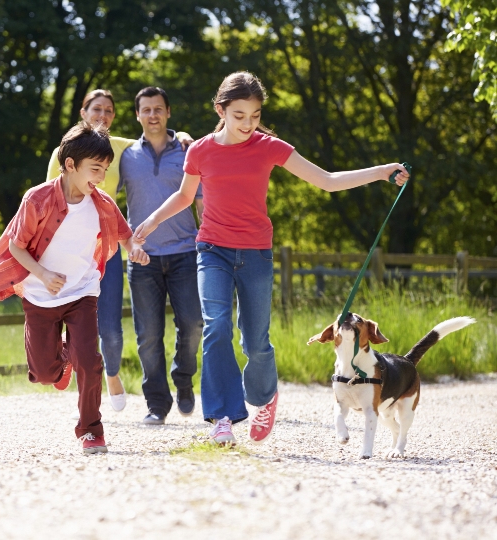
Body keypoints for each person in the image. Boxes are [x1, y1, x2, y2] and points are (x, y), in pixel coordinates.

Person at [132, 72, 409, 445]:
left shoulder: (269, 147)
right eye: (240, 115)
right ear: (221, 110)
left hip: (256, 253)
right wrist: (150, 221)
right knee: (216, 327)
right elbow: (185, 197)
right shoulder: (199, 150)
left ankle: (264, 398)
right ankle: (222, 417)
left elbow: (326, 180)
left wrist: (381, 172)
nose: (248, 124)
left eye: (255, 115)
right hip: (211, 249)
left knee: (256, 341)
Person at [0, 121, 150, 454]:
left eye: (105, 169)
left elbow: (125, 236)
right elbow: (16, 246)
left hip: (82, 291)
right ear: (70, 165)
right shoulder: (37, 199)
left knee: (90, 360)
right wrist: (41, 273)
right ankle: (62, 358)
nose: (101, 176)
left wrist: (135, 250)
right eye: (95, 168)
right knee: (43, 373)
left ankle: (91, 429)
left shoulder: (102, 203)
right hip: (40, 295)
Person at [45, 90, 192, 411]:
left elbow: (157, 139)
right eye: (96, 109)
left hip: (106, 250)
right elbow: (48, 200)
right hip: (69, 251)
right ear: (83, 112)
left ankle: (111, 374)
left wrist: (182, 135)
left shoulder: (123, 148)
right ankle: (66, 362)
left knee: (111, 332)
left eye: (109, 110)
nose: (103, 115)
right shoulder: (62, 153)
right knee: (63, 317)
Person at [118, 86, 204, 425]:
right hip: (142, 258)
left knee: (194, 324)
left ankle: (183, 379)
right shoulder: (125, 156)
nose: (152, 115)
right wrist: (127, 240)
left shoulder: (187, 150)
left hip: (185, 252)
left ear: (168, 112)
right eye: (146, 110)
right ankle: (157, 404)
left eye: (158, 109)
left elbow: (202, 200)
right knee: (148, 336)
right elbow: (107, 200)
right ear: (137, 115)